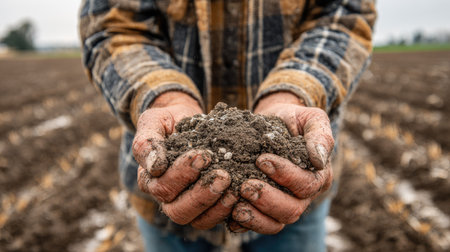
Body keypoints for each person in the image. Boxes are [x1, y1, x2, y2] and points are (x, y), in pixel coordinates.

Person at [79, 0, 376, 251]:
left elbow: (344, 15)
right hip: (170, 187)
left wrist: (293, 92)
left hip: (292, 184)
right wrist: (166, 100)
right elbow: (114, 26)